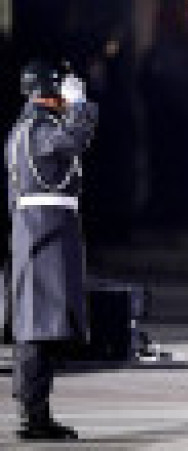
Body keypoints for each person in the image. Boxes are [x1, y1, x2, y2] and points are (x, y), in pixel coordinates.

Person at [4, 59, 99, 440]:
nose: (65, 93)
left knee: (40, 324)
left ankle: (36, 411)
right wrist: (81, 107)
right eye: (61, 87)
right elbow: (75, 142)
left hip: (42, 232)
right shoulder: (38, 129)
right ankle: (34, 415)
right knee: (35, 326)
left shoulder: (28, 128)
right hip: (43, 232)